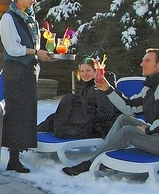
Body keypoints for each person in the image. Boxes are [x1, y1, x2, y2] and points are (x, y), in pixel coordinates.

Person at [0, 0, 54, 174]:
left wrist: (42, 54)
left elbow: (34, 45)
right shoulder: (8, 18)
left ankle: (14, 159)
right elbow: (13, 49)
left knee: (24, 116)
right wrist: (35, 52)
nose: (34, 0)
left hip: (28, 71)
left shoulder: (29, 17)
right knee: (12, 115)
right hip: (15, 71)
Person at [61, 48, 159, 176]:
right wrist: (107, 89)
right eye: (142, 60)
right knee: (123, 119)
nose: (141, 64)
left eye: (147, 61)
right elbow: (129, 107)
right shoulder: (149, 88)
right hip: (155, 133)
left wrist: (149, 130)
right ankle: (99, 158)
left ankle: (92, 163)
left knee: (128, 131)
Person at [37, 58, 120, 139]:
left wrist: (90, 121)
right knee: (54, 118)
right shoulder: (87, 87)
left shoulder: (101, 86)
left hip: (99, 126)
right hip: (87, 120)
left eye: (88, 70)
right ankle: (32, 134)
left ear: (96, 71)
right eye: (82, 71)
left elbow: (106, 112)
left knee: (69, 100)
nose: (84, 74)